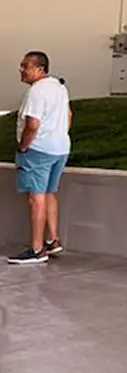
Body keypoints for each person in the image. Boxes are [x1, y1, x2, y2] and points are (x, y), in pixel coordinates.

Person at [8, 51, 72, 265]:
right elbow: (69, 115)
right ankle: (53, 240)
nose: (21, 70)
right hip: (60, 148)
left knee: (36, 198)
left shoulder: (36, 92)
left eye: (26, 66)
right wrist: (58, 134)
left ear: (40, 69)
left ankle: (37, 249)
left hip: (38, 151)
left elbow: (32, 125)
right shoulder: (59, 87)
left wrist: (24, 147)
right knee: (49, 192)